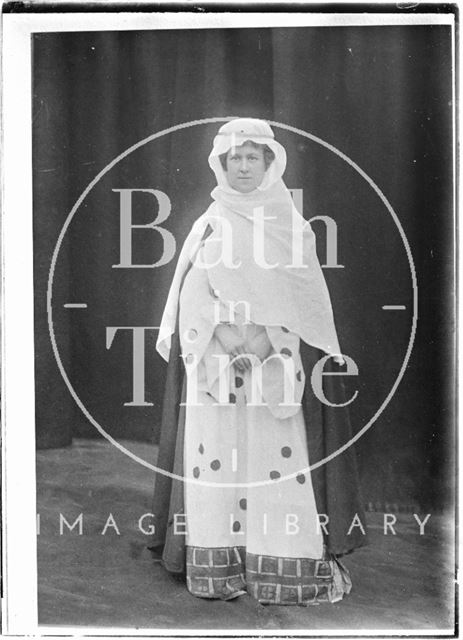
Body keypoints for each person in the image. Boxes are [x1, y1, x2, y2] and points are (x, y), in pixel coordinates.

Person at [148, 118, 367, 605]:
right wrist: (226, 341)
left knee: (274, 467)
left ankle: (277, 566)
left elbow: (302, 304)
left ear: (269, 163)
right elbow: (192, 296)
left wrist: (265, 346)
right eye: (235, 158)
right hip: (218, 367)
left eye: (252, 157)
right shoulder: (206, 225)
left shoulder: (292, 227)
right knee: (219, 465)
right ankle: (220, 566)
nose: (243, 166)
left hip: (273, 368)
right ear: (221, 164)